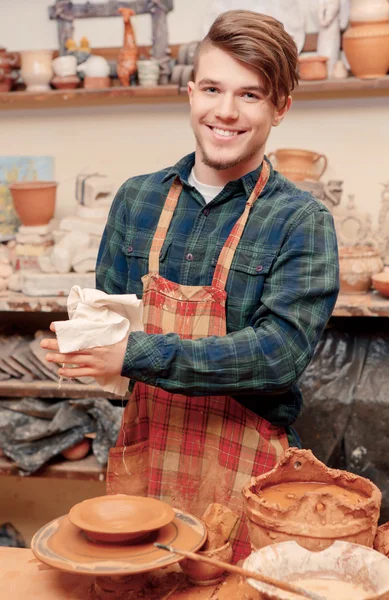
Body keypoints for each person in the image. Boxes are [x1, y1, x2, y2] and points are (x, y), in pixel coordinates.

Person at [41, 10, 339, 561]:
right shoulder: (136, 200)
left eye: (250, 95)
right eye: (212, 88)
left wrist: (133, 352)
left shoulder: (302, 221)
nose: (225, 111)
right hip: (144, 457)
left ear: (281, 108)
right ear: (189, 92)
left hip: (247, 471)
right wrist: (85, 346)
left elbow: (279, 355)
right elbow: (113, 325)